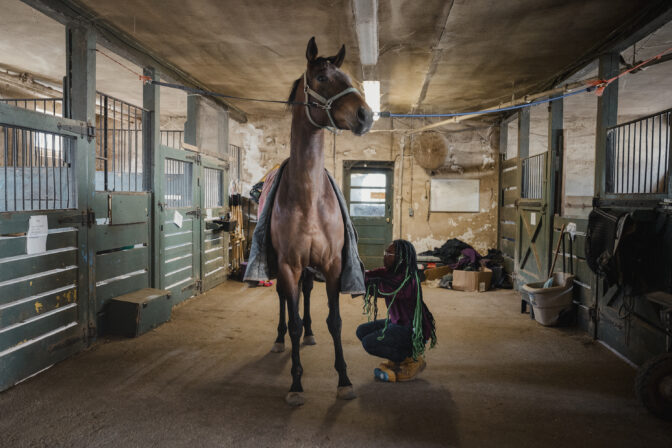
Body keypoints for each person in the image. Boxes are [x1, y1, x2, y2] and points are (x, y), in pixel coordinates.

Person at [356, 239, 437, 382]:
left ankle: (411, 358)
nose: (385, 255)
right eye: (385, 252)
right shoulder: (389, 273)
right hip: (396, 323)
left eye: (389, 253)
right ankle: (399, 357)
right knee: (361, 331)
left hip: (411, 330)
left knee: (369, 343)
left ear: (402, 258)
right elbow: (369, 275)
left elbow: (380, 288)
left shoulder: (408, 280)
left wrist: (364, 282)